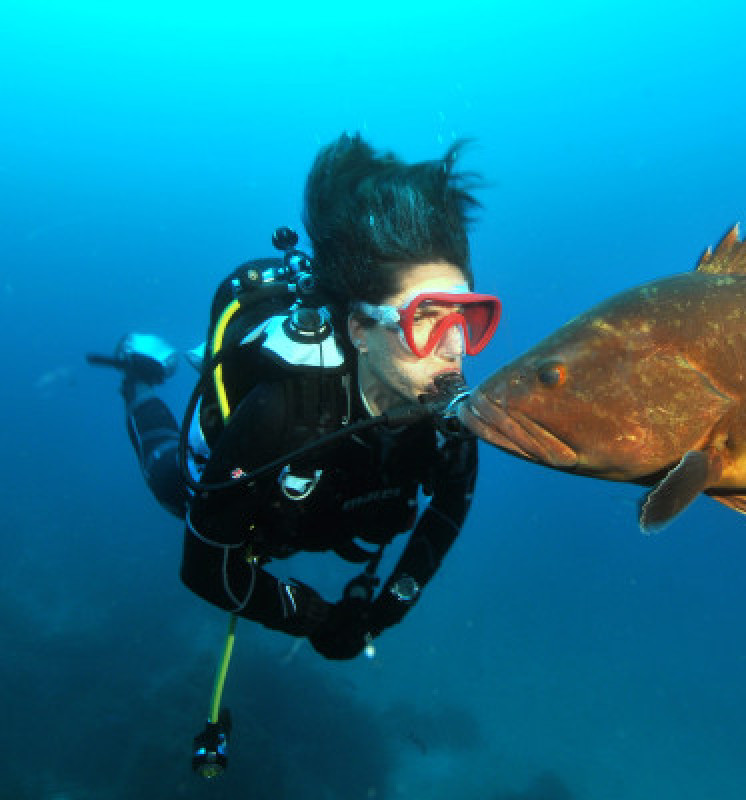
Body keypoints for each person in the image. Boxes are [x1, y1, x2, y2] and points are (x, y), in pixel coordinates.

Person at [100, 133, 499, 660]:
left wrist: (386, 610)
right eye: (424, 320)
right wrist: (314, 619)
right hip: (257, 498)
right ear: (360, 327)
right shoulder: (283, 410)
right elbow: (203, 569)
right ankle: (143, 377)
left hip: (330, 516)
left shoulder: (449, 416)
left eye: (467, 320)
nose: (453, 350)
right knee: (168, 480)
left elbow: (449, 509)